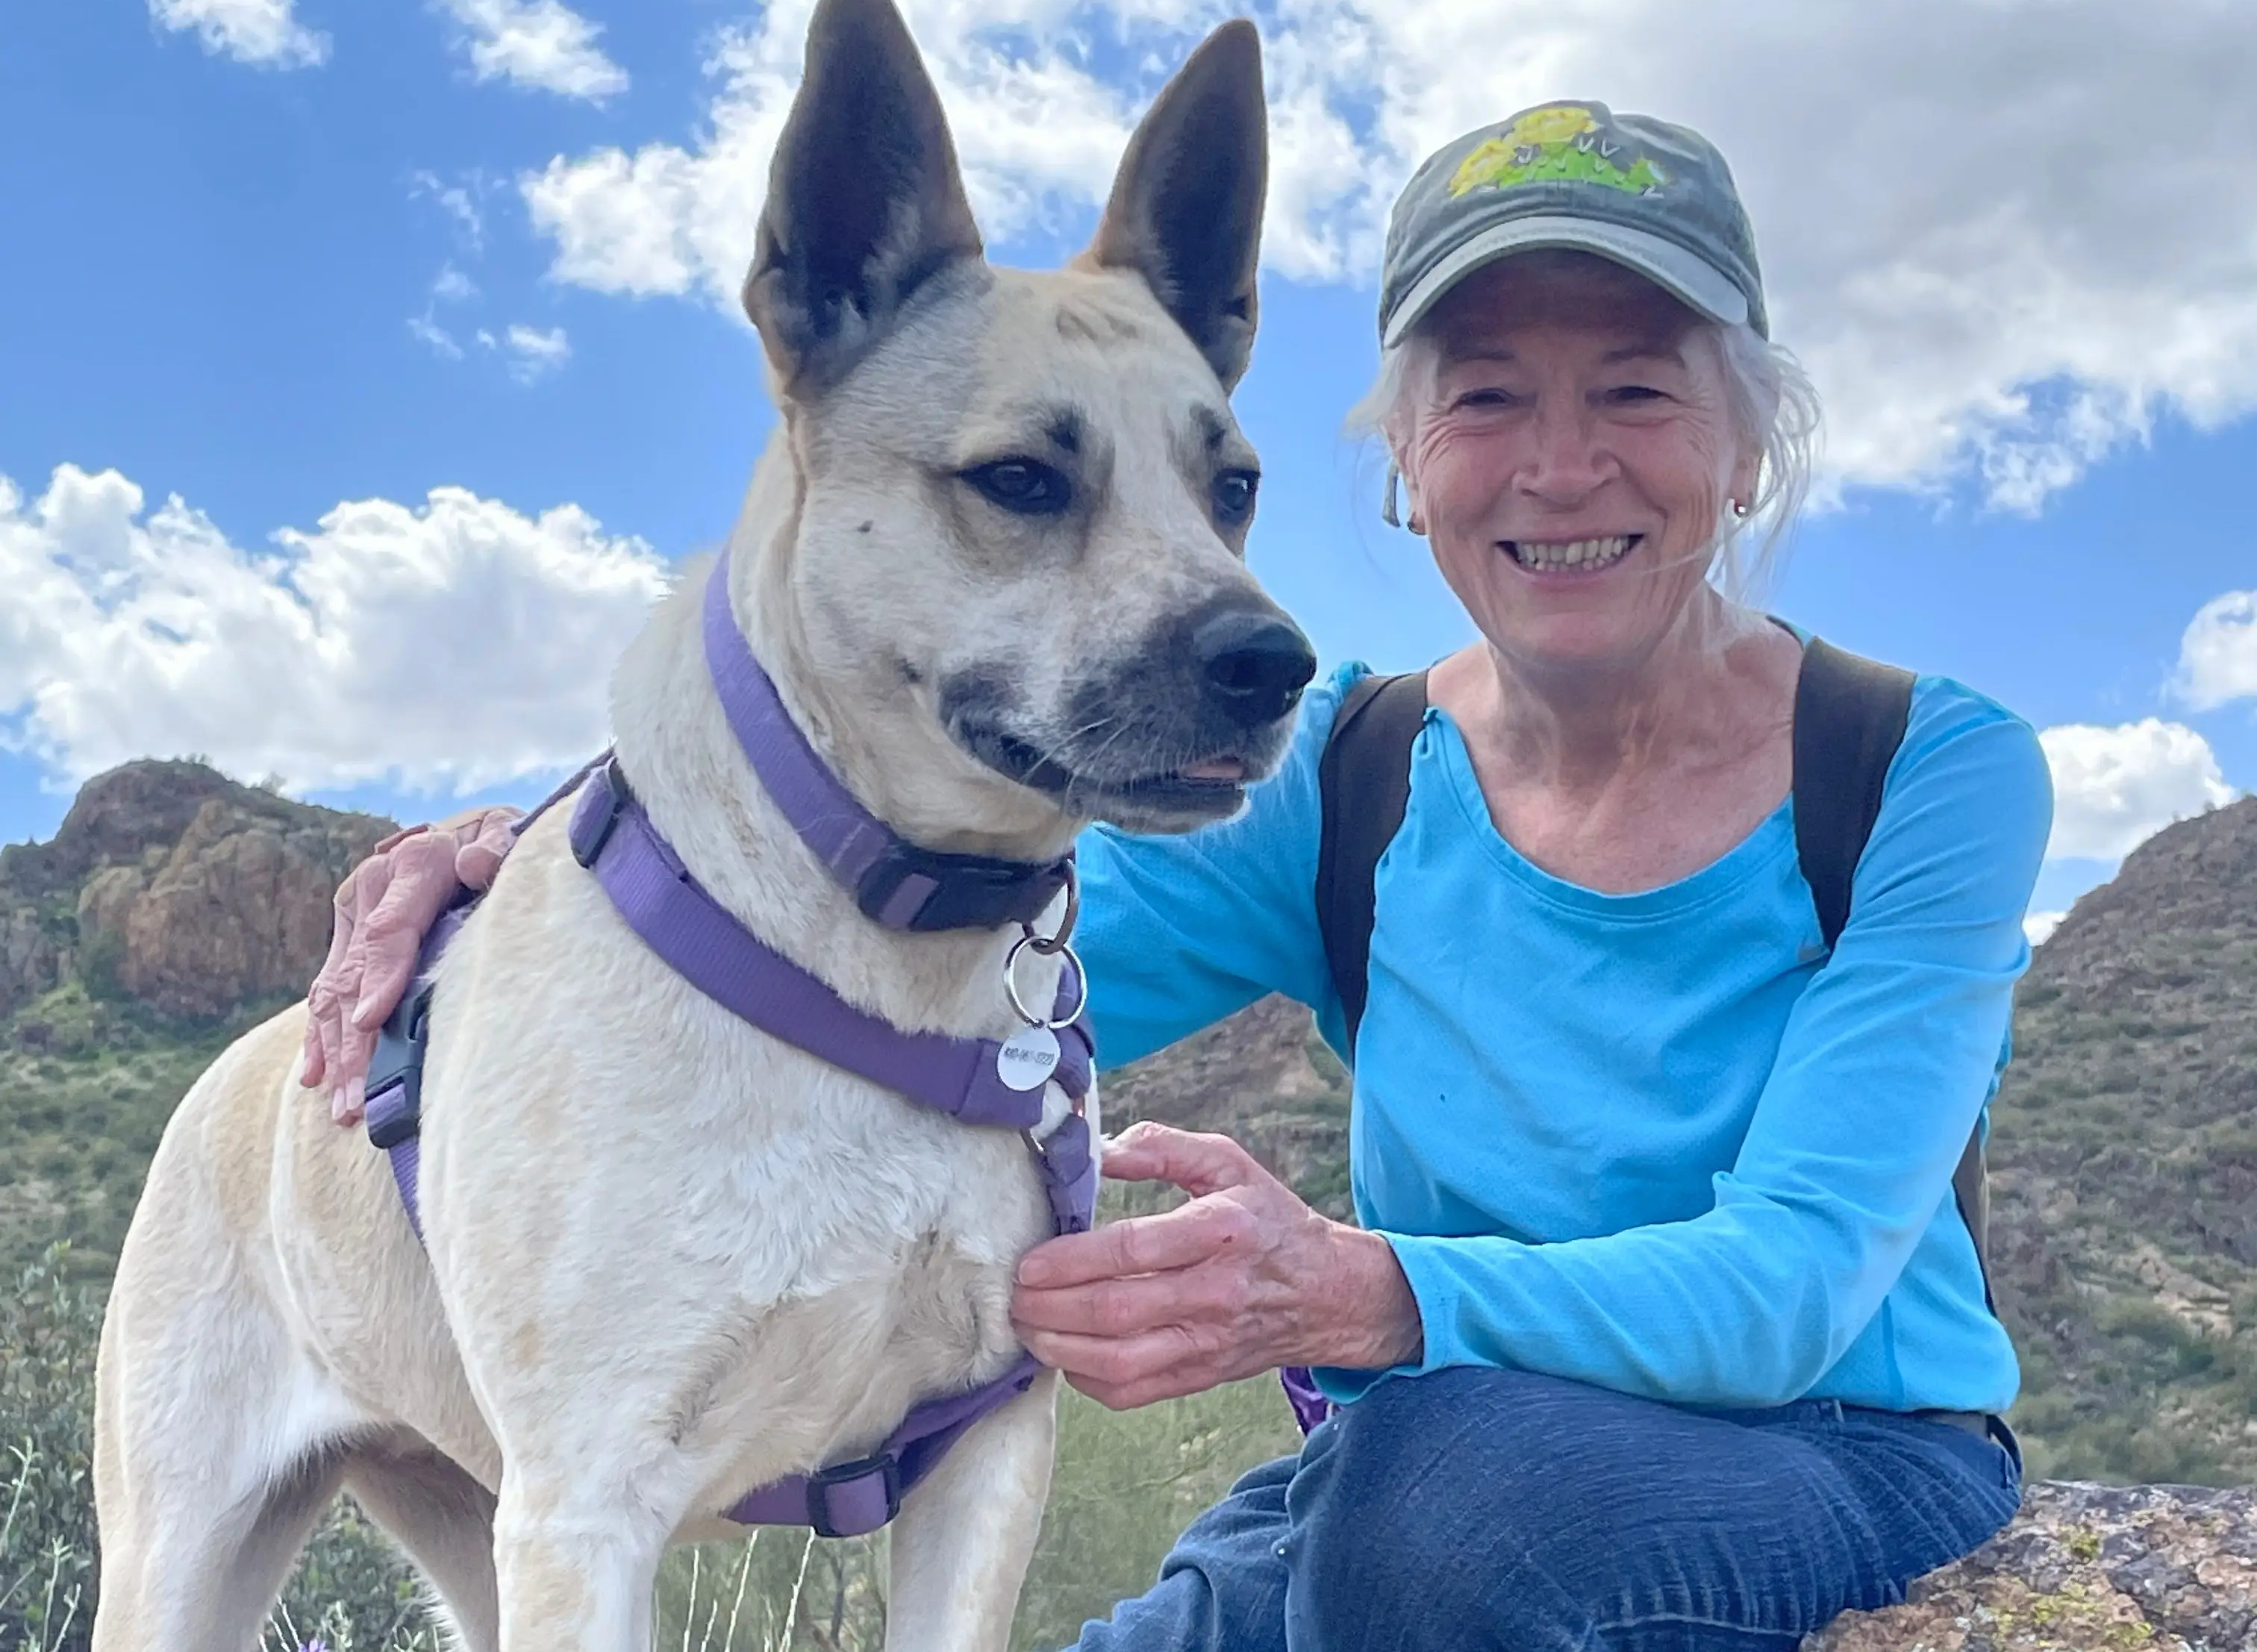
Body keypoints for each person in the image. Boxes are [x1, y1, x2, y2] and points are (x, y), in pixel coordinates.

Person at [302, 100, 2049, 1651]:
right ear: (1411, 471)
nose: (1561, 464)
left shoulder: (1918, 770)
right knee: (1390, 1510)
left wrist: (1358, 1292)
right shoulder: (1352, 775)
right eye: (1490, 397)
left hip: (1831, 1455)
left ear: (1744, 445)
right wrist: (550, 876)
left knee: (1444, 1512)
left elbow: (1795, 1286)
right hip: (1415, 1457)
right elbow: (865, 971)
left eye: (1639, 391)